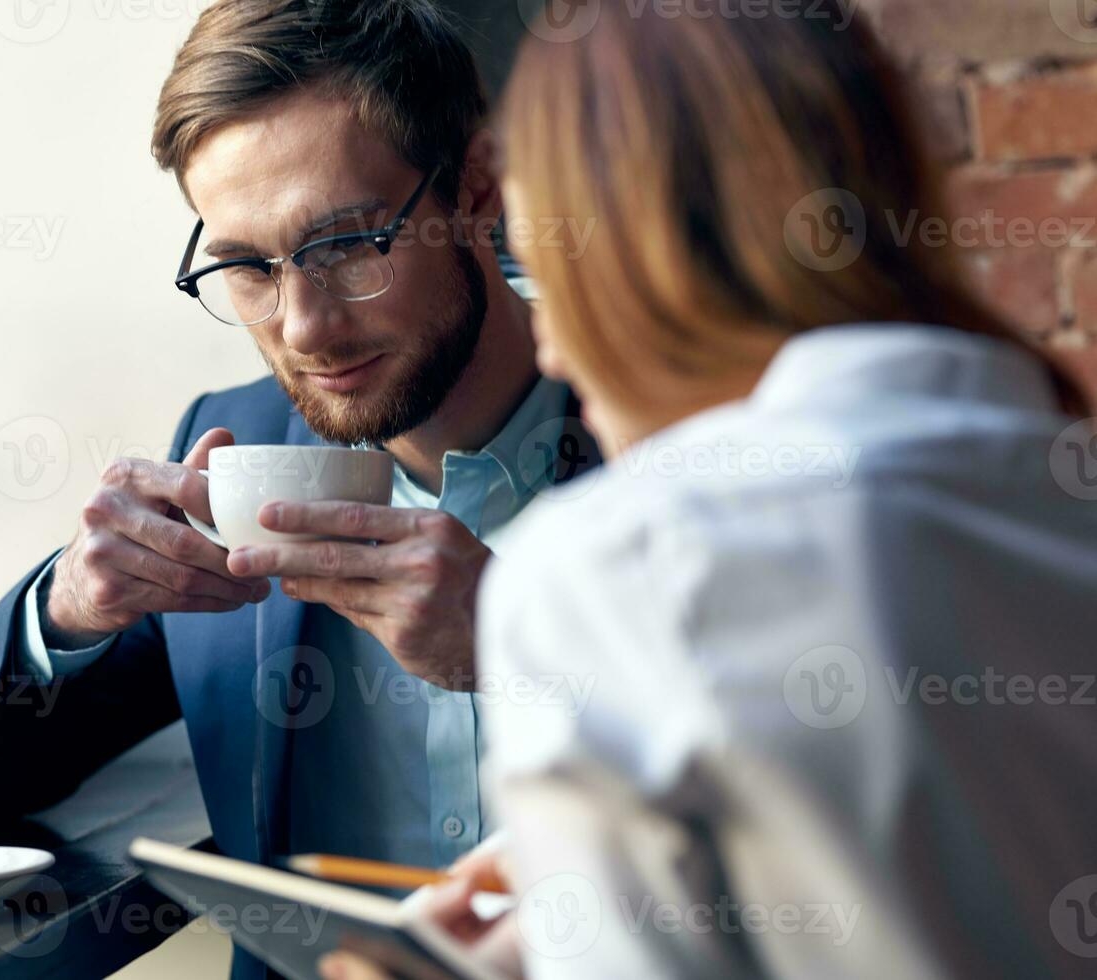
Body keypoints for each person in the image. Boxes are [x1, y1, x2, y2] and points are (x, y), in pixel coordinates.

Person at [322, 2, 1097, 979]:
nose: (553, 344)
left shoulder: (616, 568)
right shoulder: (1055, 483)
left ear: (624, 263)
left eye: (544, 267)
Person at [0, 4, 599, 978]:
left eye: (353, 243)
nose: (305, 325)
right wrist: (67, 611)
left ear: (478, 186)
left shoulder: (673, 432)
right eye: (244, 265)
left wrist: (526, 648)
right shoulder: (229, 449)